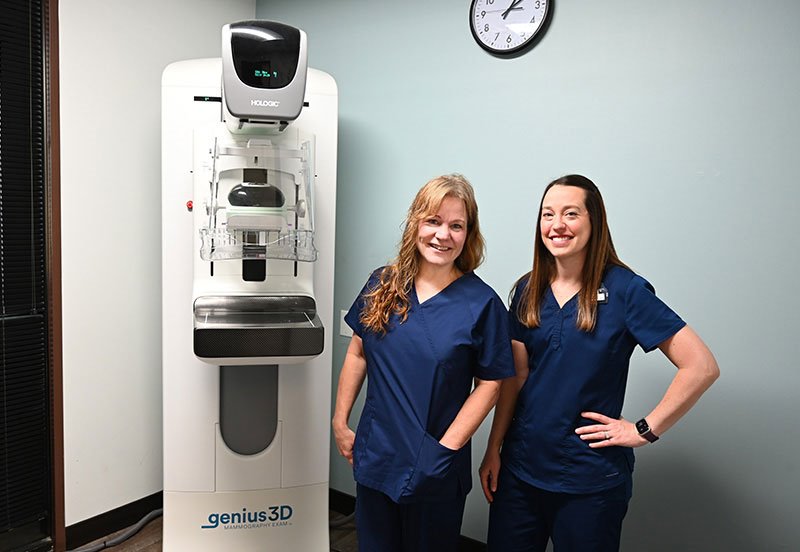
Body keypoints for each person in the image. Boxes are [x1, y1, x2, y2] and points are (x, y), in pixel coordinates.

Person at [479, 174, 719, 552]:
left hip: (589, 481)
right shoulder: (527, 290)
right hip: (520, 472)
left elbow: (701, 366)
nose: (557, 225)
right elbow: (515, 377)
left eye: (570, 214)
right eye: (547, 215)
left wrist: (644, 429)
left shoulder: (626, 290)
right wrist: (494, 447)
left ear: (594, 222)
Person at [332, 174, 515, 552]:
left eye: (456, 225)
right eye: (433, 220)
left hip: (436, 461)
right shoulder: (383, 284)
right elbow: (358, 351)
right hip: (377, 451)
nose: (442, 235)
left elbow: (491, 383)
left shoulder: (483, 304)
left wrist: (446, 449)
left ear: (468, 234)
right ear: (416, 222)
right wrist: (340, 420)